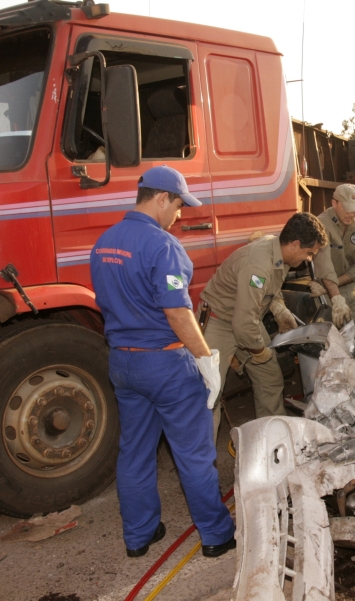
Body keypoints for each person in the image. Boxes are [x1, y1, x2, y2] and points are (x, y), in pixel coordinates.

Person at [90, 165, 235, 559]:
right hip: (166, 365)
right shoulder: (163, 246)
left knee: (134, 452)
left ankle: (139, 535)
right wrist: (206, 360)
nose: (180, 214)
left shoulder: (104, 242)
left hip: (122, 363)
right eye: (178, 204)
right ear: (160, 198)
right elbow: (178, 313)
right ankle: (217, 535)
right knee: (194, 454)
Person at [199, 212, 328, 440]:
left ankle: (273, 442)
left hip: (247, 318)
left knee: (270, 379)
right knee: (209, 394)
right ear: (295, 244)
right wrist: (259, 351)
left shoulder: (278, 251)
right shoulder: (258, 266)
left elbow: (267, 292)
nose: (309, 259)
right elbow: (243, 323)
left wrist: (278, 307)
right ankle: (202, 463)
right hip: (220, 321)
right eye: (309, 253)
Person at [310, 183, 355, 330]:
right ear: (334, 203)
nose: (351, 214)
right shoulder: (320, 224)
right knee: (332, 339)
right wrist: (336, 297)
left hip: (350, 286)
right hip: (327, 287)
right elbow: (324, 265)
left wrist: (334, 284)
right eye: (347, 208)